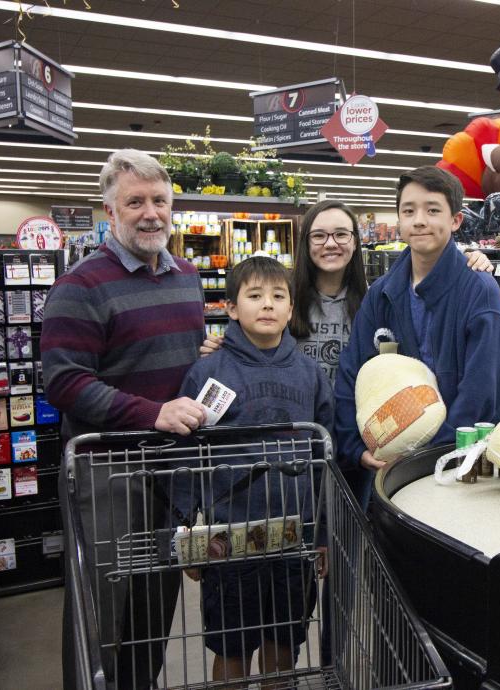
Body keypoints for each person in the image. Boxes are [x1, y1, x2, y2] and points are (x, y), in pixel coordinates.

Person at [41, 148, 209, 689]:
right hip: (109, 473)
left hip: (172, 471)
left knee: (156, 604)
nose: (150, 213)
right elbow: (64, 382)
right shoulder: (81, 285)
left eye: (159, 200)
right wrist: (152, 413)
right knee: (102, 607)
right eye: (134, 202)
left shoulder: (187, 276)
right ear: (110, 211)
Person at [175, 256, 334, 684]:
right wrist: (186, 528)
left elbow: (323, 460)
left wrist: (321, 534)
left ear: (291, 308)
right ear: (230, 308)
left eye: (278, 296)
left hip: (293, 537)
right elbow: (187, 454)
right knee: (232, 643)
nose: (267, 305)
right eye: (255, 295)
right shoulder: (208, 371)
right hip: (229, 539)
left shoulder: (310, 374)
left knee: (283, 641)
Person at [334, 166, 500, 508]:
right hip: (390, 470)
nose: (419, 221)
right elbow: (352, 372)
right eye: (408, 210)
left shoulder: (479, 291)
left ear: (456, 220)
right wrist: (356, 446)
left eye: (432, 210)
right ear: (399, 219)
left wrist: (426, 457)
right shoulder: (382, 293)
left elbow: (481, 391)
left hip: (461, 466)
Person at [201, 200, 494, 384]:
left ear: (355, 242)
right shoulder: (281, 299)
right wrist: (224, 348)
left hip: (359, 432)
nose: (331, 243)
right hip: (299, 428)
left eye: (341, 234)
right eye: (319, 235)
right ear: (306, 243)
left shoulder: (379, 300)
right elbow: (251, 345)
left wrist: (468, 260)